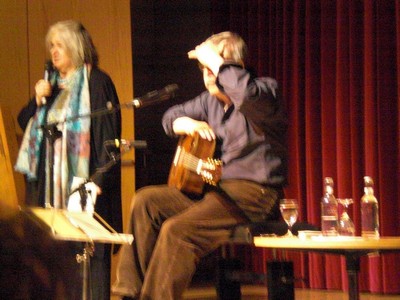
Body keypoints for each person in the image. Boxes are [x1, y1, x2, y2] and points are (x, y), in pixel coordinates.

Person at [112, 31, 288, 300]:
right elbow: (170, 116)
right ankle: (128, 294)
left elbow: (247, 96)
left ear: (236, 67)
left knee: (177, 230)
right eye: (203, 66)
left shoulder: (265, 90)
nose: (207, 71)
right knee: (146, 201)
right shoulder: (209, 102)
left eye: (214, 64)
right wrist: (187, 124)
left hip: (255, 193)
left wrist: (216, 62)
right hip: (218, 192)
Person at [15, 20, 122, 300]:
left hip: (84, 187)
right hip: (48, 188)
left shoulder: (97, 83)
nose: (54, 51)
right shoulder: (50, 88)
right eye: (51, 45)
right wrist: (37, 100)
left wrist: (98, 180)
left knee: (89, 262)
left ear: (76, 47)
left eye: (60, 44)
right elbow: (24, 122)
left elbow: (108, 138)